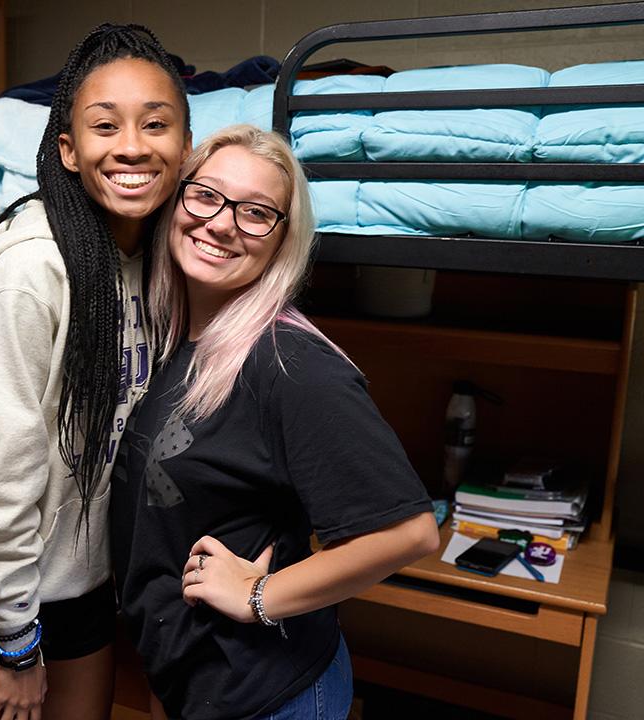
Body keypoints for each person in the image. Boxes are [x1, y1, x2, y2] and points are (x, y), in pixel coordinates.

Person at [111, 125, 440, 720]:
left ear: (282, 240)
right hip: (194, 680)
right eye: (206, 195)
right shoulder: (171, 339)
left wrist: (258, 596)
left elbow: (409, 532)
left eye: (256, 212)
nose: (221, 223)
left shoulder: (289, 363)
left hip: (267, 694)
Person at [0, 24, 193, 720]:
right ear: (68, 150)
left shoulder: (163, 267)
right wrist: (14, 642)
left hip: (82, 583)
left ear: (184, 146)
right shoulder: (31, 274)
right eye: (105, 126)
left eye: (155, 124)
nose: (132, 145)